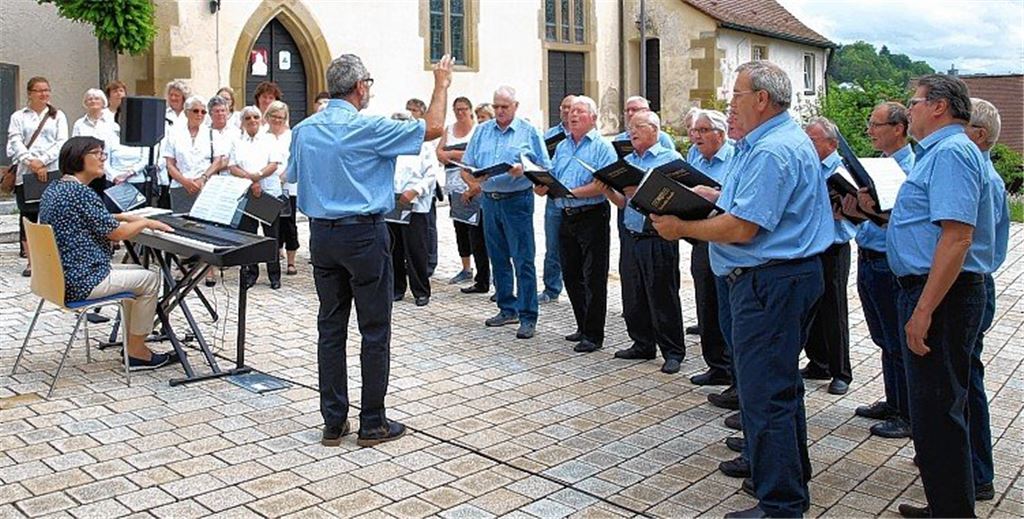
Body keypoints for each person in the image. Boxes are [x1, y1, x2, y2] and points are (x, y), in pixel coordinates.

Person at [651, 60, 834, 517]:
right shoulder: (764, 143)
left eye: (735, 95)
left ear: (761, 99)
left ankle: (781, 504)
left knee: (766, 394)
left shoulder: (773, 150)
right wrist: (707, 199)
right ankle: (784, 476)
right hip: (775, 279)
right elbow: (740, 203)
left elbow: (745, 227)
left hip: (770, 281)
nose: (728, 104)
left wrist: (681, 226)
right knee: (778, 388)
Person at [288, 53, 453, 447]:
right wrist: (442, 84)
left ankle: (332, 421)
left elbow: (292, 176)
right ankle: (373, 422)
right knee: (374, 329)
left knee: (330, 328)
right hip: (363, 234)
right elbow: (432, 128)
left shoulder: (305, 129)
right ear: (361, 86)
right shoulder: (368, 128)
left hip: (323, 236)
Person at [851, 74, 992, 519]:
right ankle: (947, 504)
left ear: (939, 107)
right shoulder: (942, 153)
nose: (908, 111)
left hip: (941, 295)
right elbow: (923, 226)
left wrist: (923, 311)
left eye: (913, 103)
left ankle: (952, 511)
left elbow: (956, 238)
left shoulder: (950, 154)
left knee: (937, 412)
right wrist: (867, 213)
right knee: (934, 411)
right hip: (932, 290)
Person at [38, 136, 177, 370]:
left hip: (59, 278)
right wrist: (145, 223)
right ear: (79, 158)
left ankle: (133, 343)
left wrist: (125, 216)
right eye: (98, 153)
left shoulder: (58, 188)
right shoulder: (81, 193)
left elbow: (90, 219)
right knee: (150, 279)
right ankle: (137, 351)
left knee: (138, 273)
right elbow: (117, 234)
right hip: (82, 280)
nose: (104, 158)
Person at [847, 102, 915, 439]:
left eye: (877, 125)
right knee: (883, 337)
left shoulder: (908, 169)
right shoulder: (881, 165)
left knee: (896, 338)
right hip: (868, 255)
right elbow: (876, 215)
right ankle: (893, 399)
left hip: (888, 261)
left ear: (899, 128)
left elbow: (900, 220)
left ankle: (906, 412)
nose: (870, 131)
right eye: (869, 124)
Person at [462, 85, 550, 340]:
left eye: (505, 107)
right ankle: (506, 308)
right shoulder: (481, 131)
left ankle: (528, 315)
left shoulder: (529, 131)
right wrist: (473, 178)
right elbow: (468, 164)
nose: (499, 111)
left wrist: (524, 169)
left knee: (523, 259)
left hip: (517, 201)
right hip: (490, 200)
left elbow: (545, 167)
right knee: (498, 257)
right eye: (496, 106)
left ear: (516, 106)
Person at [602, 110, 687, 373]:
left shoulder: (671, 160)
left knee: (662, 295)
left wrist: (641, 192)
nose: (631, 132)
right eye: (629, 128)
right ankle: (642, 343)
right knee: (633, 293)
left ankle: (673, 351)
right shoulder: (626, 161)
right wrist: (608, 189)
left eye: (638, 127)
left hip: (659, 236)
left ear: (655, 130)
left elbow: (677, 201)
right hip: (631, 236)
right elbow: (623, 202)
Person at [961, 97, 1008, 504]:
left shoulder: (982, 179)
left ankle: (976, 474)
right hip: (975, 282)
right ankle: (963, 463)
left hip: (970, 284)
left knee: (965, 382)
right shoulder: (981, 175)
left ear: (977, 135)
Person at [542, 95, 616, 351]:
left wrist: (572, 193)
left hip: (592, 215)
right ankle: (582, 325)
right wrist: (543, 184)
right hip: (566, 215)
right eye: (571, 111)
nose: (573, 116)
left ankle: (594, 335)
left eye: (580, 112)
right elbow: (554, 176)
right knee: (571, 275)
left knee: (593, 276)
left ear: (593, 118)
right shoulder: (562, 146)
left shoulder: (602, 147)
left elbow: (602, 184)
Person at [803, 117, 856, 396]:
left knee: (834, 309)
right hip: (812, 245)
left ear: (832, 144)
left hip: (834, 247)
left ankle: (841, 371)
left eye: (812, 140)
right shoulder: (811, 166)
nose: (808, 145)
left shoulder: (840, 169)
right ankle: (818, 362)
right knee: (811, 305)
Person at [686, 109, 734, 387]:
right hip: (699, 236)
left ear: (720, 133)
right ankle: (715, 364)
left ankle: (731, 367)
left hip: (726, 237)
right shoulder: (693, 156)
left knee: (724, 305)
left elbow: (737, 198)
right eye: (695, 131)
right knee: (705, 300)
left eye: (703, 131)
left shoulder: (734, 157)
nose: (696, 136)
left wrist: (714, 194)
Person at [6, 76, 68, 278]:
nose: (44, 94)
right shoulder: (19, 116)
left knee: (52, 215)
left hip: (51, 170)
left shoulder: (57, 116)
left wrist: (42, 161)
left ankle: (53, 259)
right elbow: (15, 141)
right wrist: (30, 161)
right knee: (29, 216)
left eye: (47, 90)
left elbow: (61, 142)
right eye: (39, 90)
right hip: (26, 172)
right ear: (30, 93)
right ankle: (32, 262)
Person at [436, 96, 489, 291]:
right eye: (457, 109)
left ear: (470, 110)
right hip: (453, 184)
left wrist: (451, 154)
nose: (460, 112)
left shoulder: (478, 130)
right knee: (460, 228)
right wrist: (455, 154)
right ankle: (466, 268)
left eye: (464, 109)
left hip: (473, 185)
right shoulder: (449, 130)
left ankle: (483, 273)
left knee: (477, 231)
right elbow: (439, 153)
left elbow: (474, 156)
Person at [389, 111, 440, 306]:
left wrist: (415, 191)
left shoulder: (424, 146)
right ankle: (397, 287)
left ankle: (421, 290)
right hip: (393, 204)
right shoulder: (391, 145)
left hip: (416, 205)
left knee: (416, 249)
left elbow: (431, 175)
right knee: (394, 248)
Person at [230, 106, 283, 289]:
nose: (252, 120)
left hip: (267, 193)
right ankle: (250, 273)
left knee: (271, 237)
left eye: (255, 117)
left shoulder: (270, 139)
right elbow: (232, 167)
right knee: (248, 237)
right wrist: (251, 181)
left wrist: (257, 177)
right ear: (243, 122)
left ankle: (274, 275)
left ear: (261, 120)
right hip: (246, 194)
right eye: (247, 118)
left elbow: (274, 164)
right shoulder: (237, 141)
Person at [538, 94, 575, 305]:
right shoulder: (550, 136)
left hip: (578, 199)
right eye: (564, 107)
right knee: (552, 245)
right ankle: (551, 289)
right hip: (554, 198)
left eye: (572, 108)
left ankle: (577, 288)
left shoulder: (586, 135)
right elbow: (540, 163)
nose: (568, 112)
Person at [163, 96, 220, 213]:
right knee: (181, 224)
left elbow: (217, 161)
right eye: (196, 111)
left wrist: (203, 178)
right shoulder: (174, 133)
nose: (200, 114)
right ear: (186, 112)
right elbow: (170, 164)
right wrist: (185, 181)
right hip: (180, 186)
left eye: (203, 112)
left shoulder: (212, 134)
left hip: (204, 186)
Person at [406, 97, 441, 277]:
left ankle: (430, 260)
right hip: (404, 196)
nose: (410, 113)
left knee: (427, 227)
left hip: (424, 192)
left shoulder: (427, 134)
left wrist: (418, 189)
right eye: (408, 109)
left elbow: (433, 166)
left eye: (414, 110)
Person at [265, 101, 298, 276]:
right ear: (268, 117)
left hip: (288, 185)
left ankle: (291, 261)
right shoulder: (263, 135)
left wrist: (284, 176)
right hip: (268, 186)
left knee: (289, 224)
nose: (277, 120)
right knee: (272, 224)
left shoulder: (291, 136)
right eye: (274, 116)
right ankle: (274, 256)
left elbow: (295, 159)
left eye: (281, 117)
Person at [155, 80, 192, 209]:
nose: (173, 98)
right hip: (165, 162)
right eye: (171, 95)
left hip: (184, 163)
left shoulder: (189, 115)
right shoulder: (163, 114)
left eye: (177, 95)